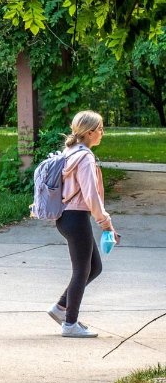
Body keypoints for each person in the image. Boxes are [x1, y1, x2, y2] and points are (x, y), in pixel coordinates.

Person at [47, 110, 119, 338]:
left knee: (94, 268)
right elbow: (91, 196)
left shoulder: (70, 152)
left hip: (66, 218)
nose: (102, 133)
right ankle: (70, 324)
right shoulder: (85, 157)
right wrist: (106, 224)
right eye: (100, 129)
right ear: (89, 132)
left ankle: (60, 308)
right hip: (76, 217)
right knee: (81, 271)